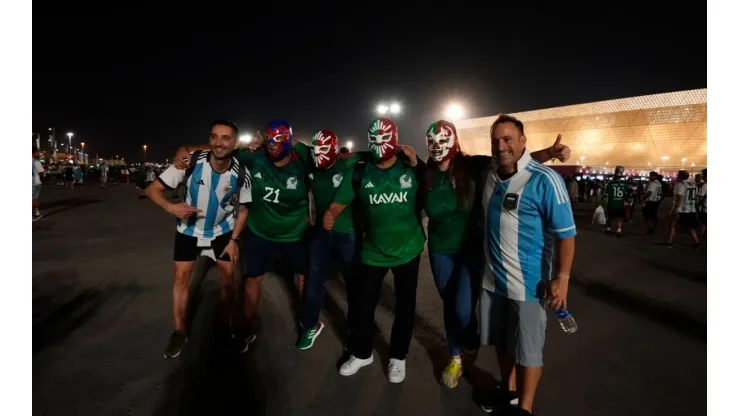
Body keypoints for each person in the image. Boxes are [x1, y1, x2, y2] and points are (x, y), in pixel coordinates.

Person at [174, 119, 311, 346]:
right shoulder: (254, 158)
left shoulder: (302, 164)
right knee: (252, 278)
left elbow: (332, 163)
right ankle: (243, 327)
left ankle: (308, 321)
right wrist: (185, 150)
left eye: (279, 140)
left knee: (304, 277)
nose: (274, 146)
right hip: (260, 233)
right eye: (270, 140)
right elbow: (222, 150)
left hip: (294, 234)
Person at [479, 115, 576, 415]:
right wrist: (548, 151)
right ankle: (508, 393)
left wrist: (563, 277)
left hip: (529, 286)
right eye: (496, 140)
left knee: (528, 351)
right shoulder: (491, 173)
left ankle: (525, 407)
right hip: (492, 282)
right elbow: (515, 161)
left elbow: (567, 235)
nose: (501, 145)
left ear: (522, 140)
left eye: (508, 139)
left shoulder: (547, 181)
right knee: (502, 343)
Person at [146, 120, 252, 358]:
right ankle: (179, 332)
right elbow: (152, 190)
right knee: (181, 279)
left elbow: (244, 209)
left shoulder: (242, 173)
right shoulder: (191, 162)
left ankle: (225, 329)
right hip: (188, 231)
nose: (218, 142)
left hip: (221, 232)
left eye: (225, 138)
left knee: (228, 283)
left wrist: (234, 240)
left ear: (235, 143)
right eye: (214, 137)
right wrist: (170, 208)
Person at [662, 170, 700, 249]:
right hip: (691, 209)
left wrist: (674, 209)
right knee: (690, 228)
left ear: (680, 177)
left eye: (678, 175)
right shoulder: (694, 185)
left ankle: (669, 243)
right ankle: (696, 243)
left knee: (672, 225)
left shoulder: (680, 185)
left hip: (682, 210)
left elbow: (679, 198)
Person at [601, 166, 631, 238]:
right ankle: (618, 230)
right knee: (620, 218)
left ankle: (608, 228)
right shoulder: (625, 185)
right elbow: (628, 195)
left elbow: (606, 194)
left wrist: (601, 200)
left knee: (610, 217)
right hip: (620, 203)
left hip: (612, 203)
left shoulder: (610, 184)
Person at [32, 150, 45, 221]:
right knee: (33, 199)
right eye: (37, 152)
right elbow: (42, 173)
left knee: (34, 199)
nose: (39, 154)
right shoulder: (36, 162)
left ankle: (37, 214)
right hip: (35, 183)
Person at [697, 168, 707, 237]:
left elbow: (700, 197)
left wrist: (697, 205)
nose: (702, 177)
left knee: (703, 223)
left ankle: (700, 239)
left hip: (705, 208)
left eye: (703, 175)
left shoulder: (705, 185)